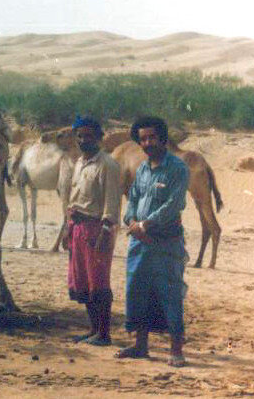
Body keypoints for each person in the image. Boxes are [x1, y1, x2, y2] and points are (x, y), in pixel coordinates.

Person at [116, 116, 190, 367]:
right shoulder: (142, 170)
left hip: (166, 242)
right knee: (137, 291)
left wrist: (145, 225)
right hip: (139, 242)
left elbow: (174, 204)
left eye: (152, 138)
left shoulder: (178, 169)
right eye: (143, 139)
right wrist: (131, 221)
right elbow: (133, 199)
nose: (147, 143)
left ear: (163, 138)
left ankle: (176, 350)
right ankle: (140, 346)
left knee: (170, 294)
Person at [62, 116, 121, 346]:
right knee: (83, 280)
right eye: (80, 136)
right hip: (77, 227)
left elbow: (112, 201)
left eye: (88, 136)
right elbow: (73, 198)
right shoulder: (79, 163)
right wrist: (67, 229)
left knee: (99, 281)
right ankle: (93, 329)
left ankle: (104, 334)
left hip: (96, 229)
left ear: (99, 137)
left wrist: (106, 231)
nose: (83, 140)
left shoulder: (108, 164)